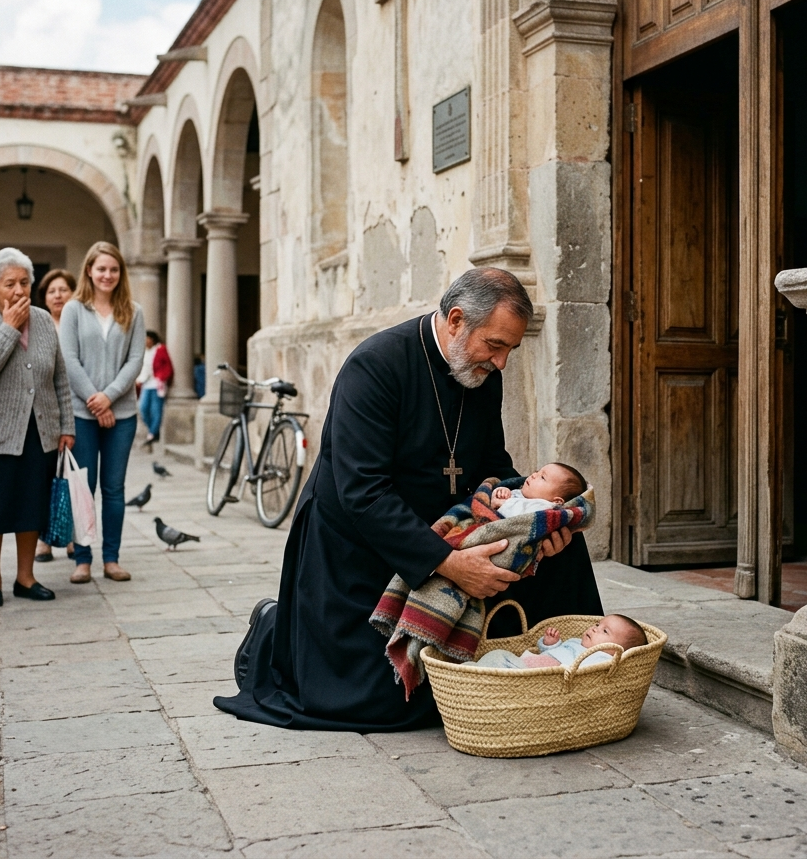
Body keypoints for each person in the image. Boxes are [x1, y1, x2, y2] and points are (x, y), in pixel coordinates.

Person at [213, 267, 603, 731]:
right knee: (390, 698)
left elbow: (490, 465)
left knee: (560, 547)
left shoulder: (480, 373)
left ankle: (579, 670)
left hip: (448, 531)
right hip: (362, 545)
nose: (501, 363)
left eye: (510, 350)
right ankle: (276, 627)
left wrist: (544, 517)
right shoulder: (374, 366)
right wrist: (449, 563)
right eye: (495, 345)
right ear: (456, 320)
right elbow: (363, 493)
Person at [0, 249, 76, 606]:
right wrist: (9, 327)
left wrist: (66, 425)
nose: (18, 290)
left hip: (39, 429)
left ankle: (25, 578)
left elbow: (59, 376)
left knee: (31, 504)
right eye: (9, 283)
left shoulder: (43, 320)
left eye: (24, 282)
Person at [60, 242, 145, 584]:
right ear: (89, 272)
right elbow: (69, 360)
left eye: (113, 269)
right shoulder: (73, 310)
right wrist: (95, 401)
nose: (107, 275)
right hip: (82, 412)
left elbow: (135, 361)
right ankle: (82, 559)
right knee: (83, 487)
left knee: (113, 488)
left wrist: (108, 398)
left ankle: (111, 559)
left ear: (120, 273)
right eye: (101, 269)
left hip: (121, 414)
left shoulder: (133, 311)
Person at [34, 268, 77, 563]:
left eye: (63, 289)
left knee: (73, 476)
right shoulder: (38, 324)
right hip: (46, 409)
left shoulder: (77, 323)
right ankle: (43, 541)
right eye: (52, 291)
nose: (58, 295)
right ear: (44, 297)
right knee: (44, 477)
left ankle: (73, 537)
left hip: (77, 405)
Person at [465, 615, 647, 669]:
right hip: (525, 664)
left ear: (615, 652)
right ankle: (471, 669)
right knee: (497, 657)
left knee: (499, 657)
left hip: (534, 675)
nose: (594, 628)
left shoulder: (600, 659)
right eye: (598, 624)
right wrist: (551, 643)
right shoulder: (577, 642)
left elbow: (584, 672)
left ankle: (472, 672)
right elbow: (555, 653)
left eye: (604, 631)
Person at [490, 463, 585, 517]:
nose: (533, 475)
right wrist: (502, 491)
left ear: (556, 501)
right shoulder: (525, 494)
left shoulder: (543, 507)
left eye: (542, 477)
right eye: (537, 471)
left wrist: (502, 504)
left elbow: (520, 517)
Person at [137, 330, 172, 447]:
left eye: (147, 339)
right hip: (146, 384)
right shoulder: (145, 352)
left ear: (152, 339)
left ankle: (152, 433)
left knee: (156, 410)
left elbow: (167, 366)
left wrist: (162, 377)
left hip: (157, 384)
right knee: (143, 408)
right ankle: (154, 430)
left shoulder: (160, 349)